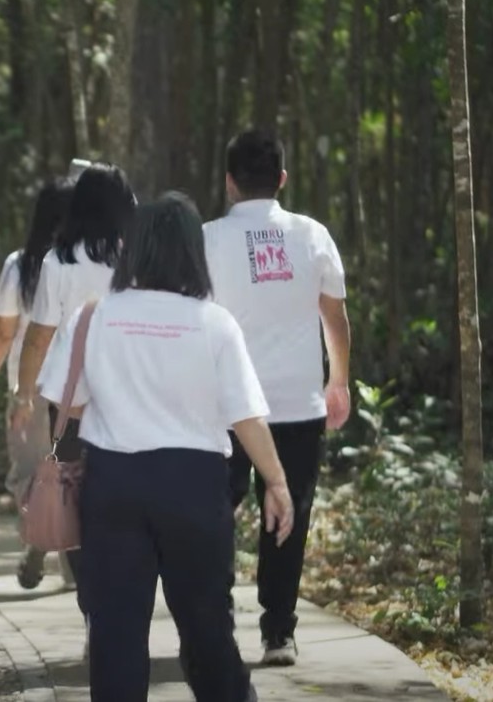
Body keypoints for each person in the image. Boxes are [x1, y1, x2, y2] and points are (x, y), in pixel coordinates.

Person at [37, 195, 294, 702]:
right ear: (195, 252)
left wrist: (122, 402)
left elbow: (70, 404)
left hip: (113, 485)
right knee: (207, 625)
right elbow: (246, 416)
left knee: (115, 630)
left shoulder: (94, 317)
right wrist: (277, 481)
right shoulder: (214, 322)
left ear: (132, 248)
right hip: (194, 485)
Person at [204, 130, 351, 667]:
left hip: (225, 407)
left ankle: (215, 621)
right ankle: (278, 634)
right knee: (289, 515)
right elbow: (334, 316)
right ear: (282, 179)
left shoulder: (207, 239)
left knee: (215, 512)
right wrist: (339, 381)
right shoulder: (312, 235)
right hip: (296, 403)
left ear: (229, 182)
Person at [9, 162, 137, 630]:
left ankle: (94, 618)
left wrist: (24, 395)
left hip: (70, 405)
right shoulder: (133, 258)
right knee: (122, 504)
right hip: (132, 402)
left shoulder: (58, 261)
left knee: (75, 500)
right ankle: (123, 608)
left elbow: (38, 337)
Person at [0, 180, 75, 588]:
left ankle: (37, 536)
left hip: (30, 388)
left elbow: (2, 333)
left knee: (31, 475)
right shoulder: (92, 262)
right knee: (75, 473)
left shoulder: (22, 265)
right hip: (80, 389)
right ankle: (73, 569)